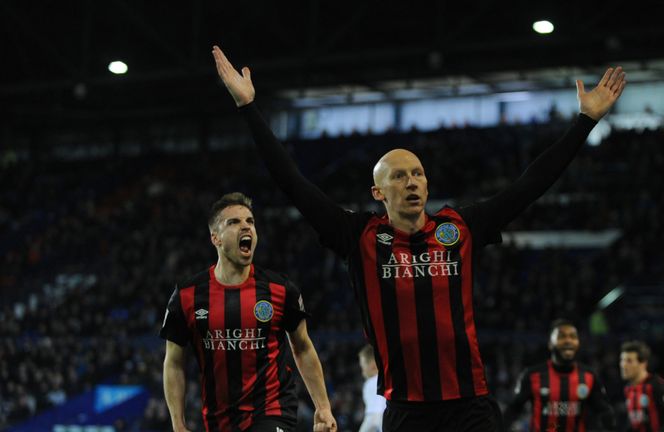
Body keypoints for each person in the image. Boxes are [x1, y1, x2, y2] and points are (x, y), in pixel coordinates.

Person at [213, 45, 626, 432]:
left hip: (472, 406)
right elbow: (293, 183)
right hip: (408, 411)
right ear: (379, 193)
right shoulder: (359, 236)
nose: (412, 181)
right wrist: (248, 107)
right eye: (398, 176)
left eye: (418, 174)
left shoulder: (460, 228)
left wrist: (584, 122)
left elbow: (530, 184)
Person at [160, 192, 337, 432]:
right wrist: (178, 424)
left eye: (250, 221)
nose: (246, 226)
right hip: (218, 420)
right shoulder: (187, 296)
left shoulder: (281, 289)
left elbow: (303, 347)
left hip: (272, 411)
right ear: (216, 238)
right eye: (233, 222)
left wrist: (323, 406)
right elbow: (174, 363)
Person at [504, 319, 615, 432]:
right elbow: (512, 410)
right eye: (561, 336)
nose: (568, 340)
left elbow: (604, 412)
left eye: (573, 336)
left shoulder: (589, 376)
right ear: (550, 344)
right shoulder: (532, 375)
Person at [620, 340, 664, 432]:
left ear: (643, 364)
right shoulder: (628, 389)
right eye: (622, 360)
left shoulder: (656, 385)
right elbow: (636, 423)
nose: (623, 365)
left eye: (629, 361)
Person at [358, 345, 386, 432]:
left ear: (373, 366)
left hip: (374, 417)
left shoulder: (369, 383)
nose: (362, 372)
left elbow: (374, 412)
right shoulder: (387, 379)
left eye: (363, 367)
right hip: (387, 418)